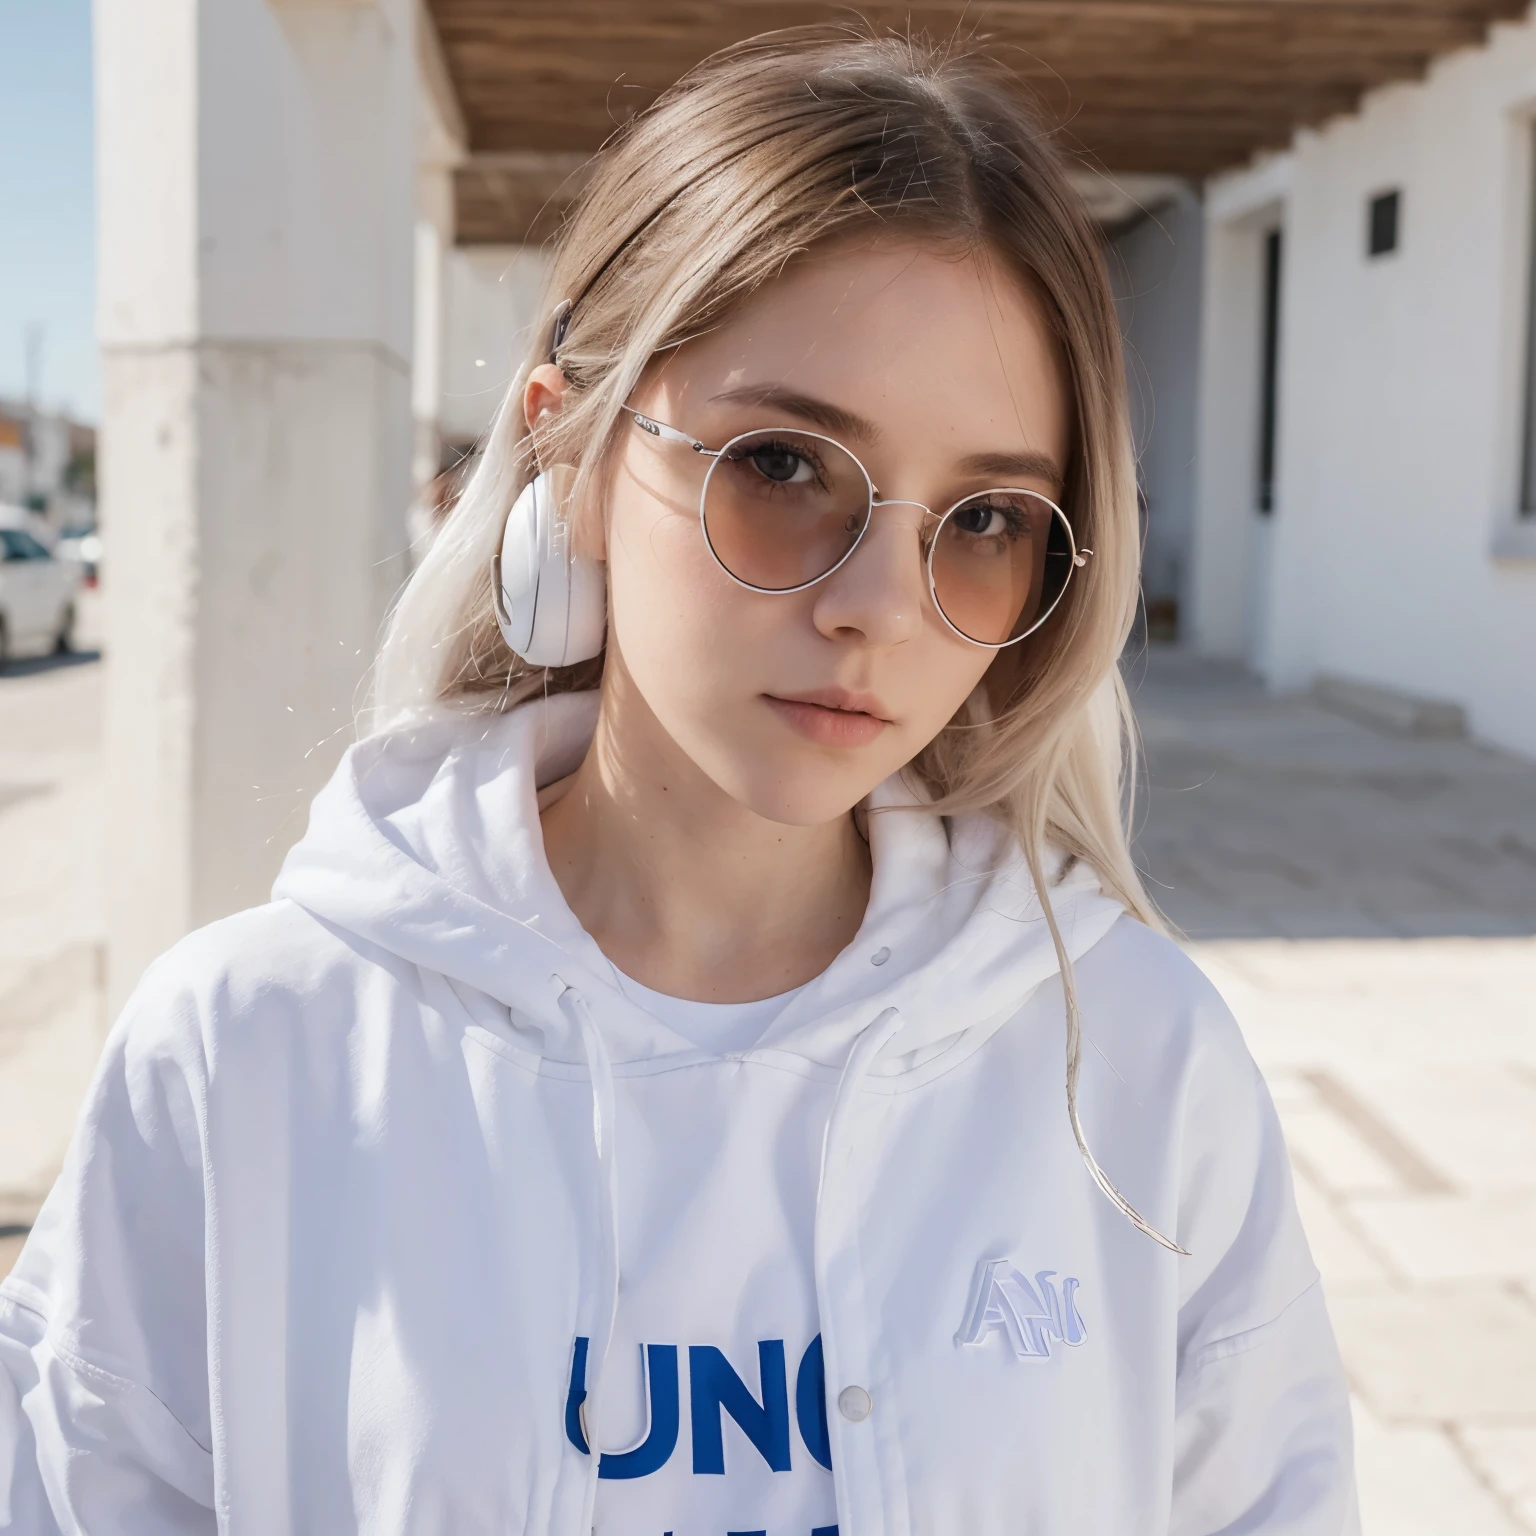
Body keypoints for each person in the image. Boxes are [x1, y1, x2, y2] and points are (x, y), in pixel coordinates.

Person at [0, 30, 1358, 1536]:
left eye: (985, 517)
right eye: (783, 467)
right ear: (568, 452)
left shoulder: (1137, 1072)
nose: (878, 609)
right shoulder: (252, 1053)